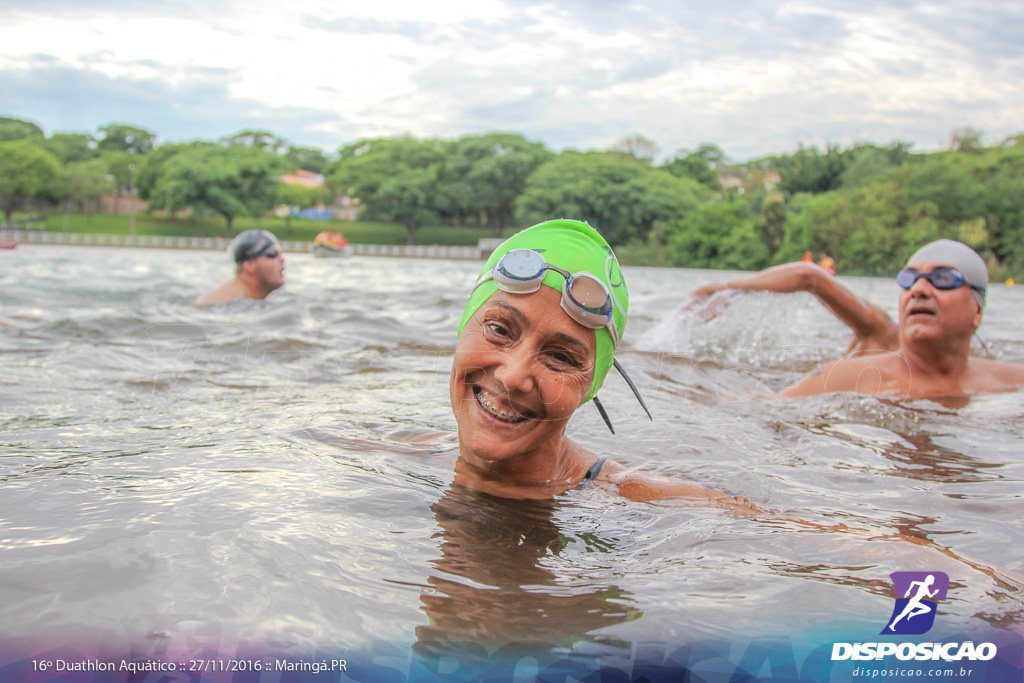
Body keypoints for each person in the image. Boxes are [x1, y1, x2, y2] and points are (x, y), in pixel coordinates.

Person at [450, 218, 760, 507]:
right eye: (500, 330)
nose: (513, 377)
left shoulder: (642, 500)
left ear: (592, 383)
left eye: (560, 357)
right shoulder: (409, 452)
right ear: (464, 328)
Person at [689, 239, 1024, 398]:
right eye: (909, 279)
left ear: (977, 312)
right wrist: (721, 290)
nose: (920, 289)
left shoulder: (1011, 383)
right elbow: (764, 415)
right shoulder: (869, 348)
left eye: (944, 279)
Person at [194, 230, 286, 305]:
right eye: (272, 254)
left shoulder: (248, 300)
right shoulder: (226, 302)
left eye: (281, 254)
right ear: (249, 265)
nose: (282, 259)